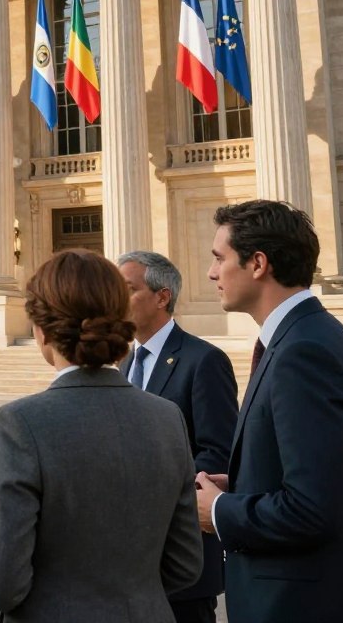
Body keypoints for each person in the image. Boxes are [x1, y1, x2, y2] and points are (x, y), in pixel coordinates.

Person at [196, 200, 343, 623]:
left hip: (305, 604)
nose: (212, 273)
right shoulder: (306, 336)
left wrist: (219, 512)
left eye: (219, 259)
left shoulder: (302, 352)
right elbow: (317, 474)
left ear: (257, 263)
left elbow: (315, 510)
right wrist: (243, 481)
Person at [0, 249, 203, 622]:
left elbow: (0, 583)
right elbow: (185, 565)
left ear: (41, 330)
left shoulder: (22, 422)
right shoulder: (166, 416)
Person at [118, 250, 238, 623]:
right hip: (127, 565)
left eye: (128, 289)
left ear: (162, 296)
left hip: (181, 561)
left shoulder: (203, 360)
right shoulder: (122, 361)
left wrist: (149, 494)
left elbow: (217, 454)